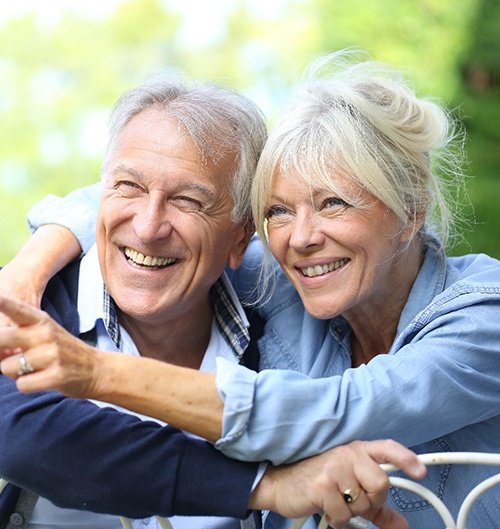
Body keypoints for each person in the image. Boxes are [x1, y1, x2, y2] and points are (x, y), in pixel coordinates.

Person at [2, 48, 499, 528]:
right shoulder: (284, 281)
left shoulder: (483, 313)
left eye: (333, 203)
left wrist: (92, 372)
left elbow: (339, 410)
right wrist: (33, 262)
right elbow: (150, 187)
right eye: (278, 210)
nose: (301, 239)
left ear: (411, 209)